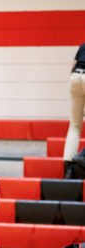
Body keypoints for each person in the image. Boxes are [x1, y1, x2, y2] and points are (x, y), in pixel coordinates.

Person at [63, 43, 85, 178]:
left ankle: (69, 170)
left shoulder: (83, 46)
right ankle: (83, 155)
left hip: (75, 77)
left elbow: (74, 64)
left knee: (75, 126)